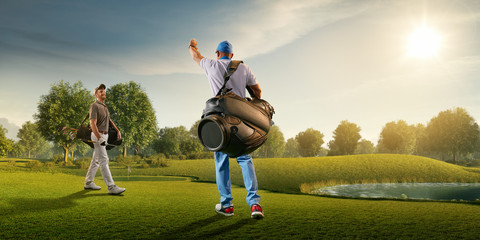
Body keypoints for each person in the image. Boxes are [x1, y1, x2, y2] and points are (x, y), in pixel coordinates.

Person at [189, 39, 264, 219]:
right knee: (245, 158)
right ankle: (255, 204)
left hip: (220, 123)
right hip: (241, 123)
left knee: (221, 160)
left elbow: (195, 56)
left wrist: (192, 45)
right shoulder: (243, 68)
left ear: (217, 53)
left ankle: (227, 205)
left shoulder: (210, 65)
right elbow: (258, 92)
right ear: (232, 55)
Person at [84, 84, 126, 195]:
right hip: (98, 135)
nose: (103, 93)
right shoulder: (94, 106)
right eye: (101, 91)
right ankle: (111, 187)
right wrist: (99, 138)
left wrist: (117, 130)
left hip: (105, 135)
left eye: (104, 91)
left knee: (96, 161)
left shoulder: (104, 107)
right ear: (96, 94)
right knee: (104, 160)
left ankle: (88, 182)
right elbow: (92, 123)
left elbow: (109, 120)